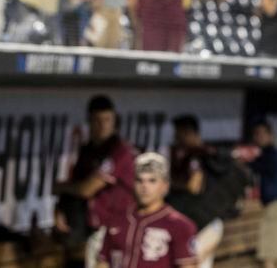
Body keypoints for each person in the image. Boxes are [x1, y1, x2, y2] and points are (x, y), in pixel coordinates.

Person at [54, 96, 136, 268]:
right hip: (94, 228)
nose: (103, 125)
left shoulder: (120, 151)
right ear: (90, 121)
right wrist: (60, 208)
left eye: (108, 120)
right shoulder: (88, 150)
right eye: (98, 120)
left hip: (119, 228)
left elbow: (86, 189)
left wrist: (60, 187)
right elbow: (76, 183)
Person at [97, 152, 198, 268]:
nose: (145, 186)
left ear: (165, 185)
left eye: (152, 181)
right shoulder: (117, 219)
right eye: (139, 180)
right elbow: (103, 262)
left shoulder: (180, 225)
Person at [167, 115, 225, 268]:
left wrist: (168, 184)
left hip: (205, 224)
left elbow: (194, 186)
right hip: (208, 221)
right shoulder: (209, 152)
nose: (176, 138)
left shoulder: (197, 155)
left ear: (188, 132)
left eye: (178, 134)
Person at [249, 120, 277, 268]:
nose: (258, 137)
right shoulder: (270, 154)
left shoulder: (273, 155)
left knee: (270, 257)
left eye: (262, 134)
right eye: (256, 134)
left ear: (270, 135)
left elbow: (257, 166)